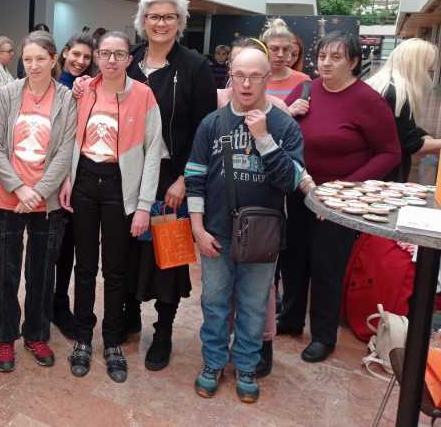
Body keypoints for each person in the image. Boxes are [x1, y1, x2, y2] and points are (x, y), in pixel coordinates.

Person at [186, 47, 306, 403]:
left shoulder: (284, 125)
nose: (247, 84)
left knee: (254, 306)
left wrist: (264, 139)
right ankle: (213, 363)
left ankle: (246, 365)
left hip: (263, 237)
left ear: (268, 78)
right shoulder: (212, 123)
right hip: (216, 232)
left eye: (255, 76)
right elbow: (195, 177)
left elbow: (291, 181)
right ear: (230, 78)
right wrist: (197, 228)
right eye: (239, 75)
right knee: (214, 302)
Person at [280, 32, 401, 363]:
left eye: (336, 57)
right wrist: (288, 112)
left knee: (326, 266)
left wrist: (343, 189)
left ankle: (323, 335)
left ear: (353, 61)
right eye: (322, 56)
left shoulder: (368, 100)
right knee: (293, 258)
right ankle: (290, 318)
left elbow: (390, 152)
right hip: (299, 190)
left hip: (338, 201)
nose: (326, 63)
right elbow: (280, 131)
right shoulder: (306, 89)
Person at [60, 30, 163, 383]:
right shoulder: (84, 89)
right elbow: (70, 138)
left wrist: (144, 205)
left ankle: (113, 340)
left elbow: (153, 154)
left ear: (129, 59)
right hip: (85, 181)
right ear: (97, 57)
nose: (112, 60)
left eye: (119, 54)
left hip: (122, 186)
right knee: (85, 266)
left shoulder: (144, 95)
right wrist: (68, 179)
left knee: (116, 270)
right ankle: (83, 338)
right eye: (105, 53)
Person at [124, 0, 216, 372]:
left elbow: (205, 130)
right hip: (128, 178)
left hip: (172, 182)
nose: (160, 23)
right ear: (142, 20)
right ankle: (129, 316)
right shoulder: (129, 60)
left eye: (169, 17)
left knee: (168, 261)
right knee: (128, 253)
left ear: (180, 22)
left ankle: (163, 332)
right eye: (153, 16)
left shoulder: (195, 66)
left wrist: (184, 180)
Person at [0, 31, 77, 372]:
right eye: (27, 59)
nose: (33, 65)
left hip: (46, 203)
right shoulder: (8, 94)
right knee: (3, 274)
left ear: (54, 60)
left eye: (40, 58)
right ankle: (5, 338)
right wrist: (19, 188)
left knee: (41, 274)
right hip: (5, 199)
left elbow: (65, 151)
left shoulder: (67, 99)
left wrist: (38, 192)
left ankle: (36, 334)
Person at [52, 33, 94, 338]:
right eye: (76, 54)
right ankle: (47, 303)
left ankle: (59, 302)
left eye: (86, 57)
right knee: (51, 248)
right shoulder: (57, 86)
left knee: (68, 248)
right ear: (65, 52)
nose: (80, 61)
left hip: (79, 179)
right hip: (52, 177)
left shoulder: (88, 87)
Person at [366, 38, 441, 182]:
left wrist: (424, 135)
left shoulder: (380, 85)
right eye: (428, 69)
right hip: (383, 175)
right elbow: (411, 145)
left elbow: (399, 126)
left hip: (369, 167)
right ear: (417, 67)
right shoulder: (397, 95)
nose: (429, 76)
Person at [260, 19, 310, 100]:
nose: (281, 54)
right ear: (264, 48)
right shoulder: (252, 78)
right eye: (274, 49)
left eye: (285, 49)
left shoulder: (303, 81)